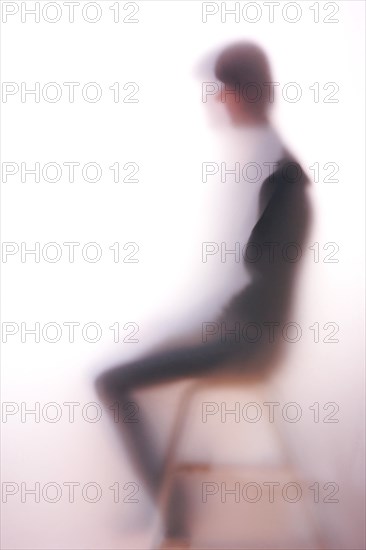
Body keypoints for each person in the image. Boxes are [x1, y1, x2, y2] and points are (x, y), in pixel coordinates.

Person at [95, 42, 312, 549]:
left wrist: (187, 328)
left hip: (247, 341)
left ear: (236, 94)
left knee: (113, 380)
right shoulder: (270, 162)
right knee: (140, 362)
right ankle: (168, 493)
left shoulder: (270, 169)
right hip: (244, 331)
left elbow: (241, 280)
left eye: (217, 92)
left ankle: (173, 510)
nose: (213, 103)